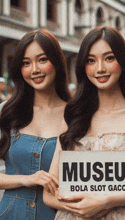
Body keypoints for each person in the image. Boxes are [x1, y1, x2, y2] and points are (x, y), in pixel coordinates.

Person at [43, 26, 125, 220]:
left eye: (109, 58)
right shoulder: (75, 115)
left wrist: (105, 202)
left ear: (123, 62)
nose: (100, 68)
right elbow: (48, 195)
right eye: (91, 61)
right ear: (84, 66)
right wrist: (79, 208)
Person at [0, 28, 71, 219]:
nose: (34, 70)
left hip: (58, 214)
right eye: (26, 63)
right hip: (11, 214)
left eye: (42, 59)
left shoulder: (76, 114)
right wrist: (28, 179)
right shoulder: (6, 111)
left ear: (56, 62)